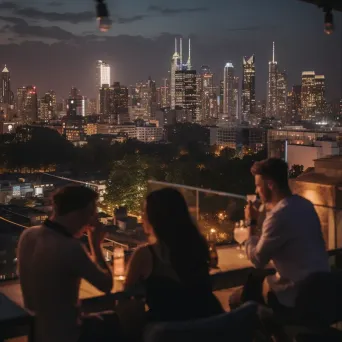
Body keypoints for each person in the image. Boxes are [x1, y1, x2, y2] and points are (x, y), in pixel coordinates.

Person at [17, 185, 116, 342]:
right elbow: (106, 284)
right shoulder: (70, 247)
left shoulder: (28, 235)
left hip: (36, 334)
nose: (93, 219)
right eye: (92, 213)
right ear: (82, 213)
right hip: (66, 335)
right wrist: (96, 245)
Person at [230, 158, 330, 312]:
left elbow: (257, 260)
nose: (256, 191)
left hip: (297, 296)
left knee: (237, 299)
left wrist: (251, 222)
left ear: (270, 185)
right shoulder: (305, 205)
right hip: (322, 291)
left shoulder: (279, 215)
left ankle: (275, 332)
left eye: (258, 185)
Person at [124, 187, 223, 322]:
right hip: (206, 327)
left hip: (169, 332)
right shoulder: (197, 246)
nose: (142, 217)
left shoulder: (145, 254)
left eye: (145, 212)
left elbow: (125, 295)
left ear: (153, 218)